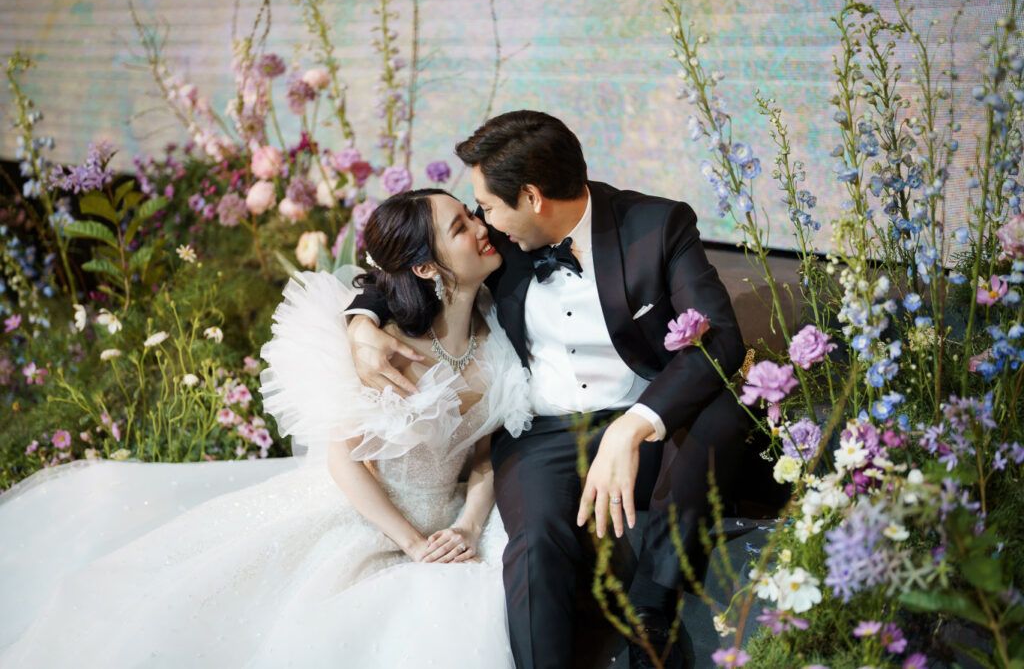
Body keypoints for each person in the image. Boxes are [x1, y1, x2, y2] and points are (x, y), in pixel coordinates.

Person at [0, 188, 533, 668]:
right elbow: (344, 460)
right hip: (372, 519)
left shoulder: (498, 333)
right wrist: (412, 543)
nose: (480, 226)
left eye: (471, 214)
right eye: (460, 226)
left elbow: (484, 451)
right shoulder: (383, 349)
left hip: (457, 518)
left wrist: (467, 527)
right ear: (424, 267)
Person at [345, 110, 756, 669]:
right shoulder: (497, 239)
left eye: (487, 207)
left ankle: (650, 611)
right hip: (541, 432)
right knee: (537, 543)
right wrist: (362, 322)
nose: (482, 222)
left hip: (639, 417)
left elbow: (721, 338)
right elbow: (409, 263)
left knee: (724, 408)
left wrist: (634, 425)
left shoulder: (656, 226)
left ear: (532, 198)